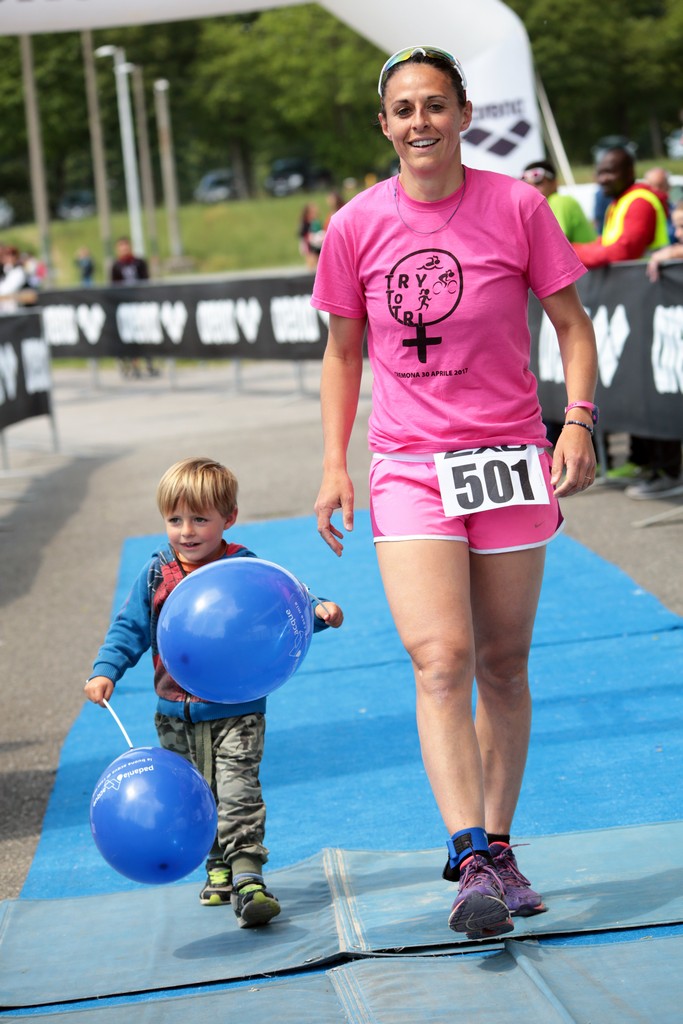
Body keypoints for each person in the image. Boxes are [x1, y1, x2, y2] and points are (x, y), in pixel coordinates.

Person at [312, 45, 598, 941]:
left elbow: (571, 327)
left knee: (503, 662)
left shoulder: (517, 206)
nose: (419, 123)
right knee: (439, 658)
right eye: (403, 109)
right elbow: (343, 353)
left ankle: (503, 850)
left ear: (465, 115)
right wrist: (333, 462)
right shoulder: (355, 224)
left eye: (435, 105)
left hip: (510, 457)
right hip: (408, 465)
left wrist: (579, 421)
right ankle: (467, 854)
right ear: (384, 125)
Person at [85, 456, 343, 927]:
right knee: (193, 795)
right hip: (175, 715)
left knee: (238, 790)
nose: (186, 530)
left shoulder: (243, 567)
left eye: (200, 518)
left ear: (229, 519)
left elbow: (280, 605)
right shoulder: (156, 573)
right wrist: (107, 670)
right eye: (175, 519)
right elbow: (129, 628)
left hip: (237, 708)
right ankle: (217, 868)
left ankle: (249, 877)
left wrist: (318, 610)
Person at [573, 148, 680, 497]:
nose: (601, 178)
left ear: (628, 171)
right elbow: (607, 246)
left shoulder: (638, 201)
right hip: (641, 303)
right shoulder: (620, 201)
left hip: (657, 300)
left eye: (609, 172)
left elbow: (621, 251)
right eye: (600, 171)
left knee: (656, 385)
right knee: (636, 384)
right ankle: (645, 461)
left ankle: (668, 469)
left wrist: (569, 252)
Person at [521, 160, 596, 448]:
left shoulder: (557, 202)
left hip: (575, 295)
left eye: (540, 180)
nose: (534, 186)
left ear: (554, 182)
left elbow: (549, 247)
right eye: (527, 180)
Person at [110, 237, 158, 378]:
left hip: (140, 304)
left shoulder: (139, 263)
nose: (124, 249)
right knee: (129, 335)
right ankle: (132, 364)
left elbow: (146, 280)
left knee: (145, 334)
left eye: (126, 246)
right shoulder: (116, 265)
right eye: (121, 247)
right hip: (125, 307)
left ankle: (149, 362)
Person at [521, 160, 596, 244]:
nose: (532, 189)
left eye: (538, 183)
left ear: (554, 183)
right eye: (527, 185)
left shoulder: (559, 201)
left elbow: (555, 242)